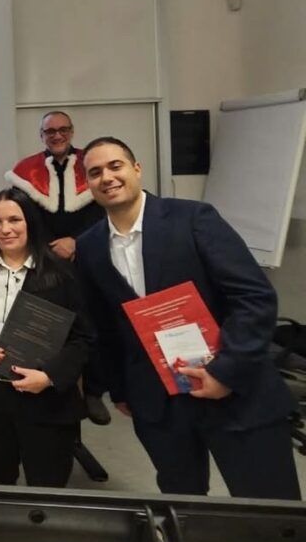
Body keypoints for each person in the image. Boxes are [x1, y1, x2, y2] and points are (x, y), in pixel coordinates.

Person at [75, 137, 301, 499]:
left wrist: (225, 371)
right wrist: (120, 388)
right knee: (184, 508)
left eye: (115, 166)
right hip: (158, 403)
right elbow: (105, 326)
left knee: (271, 509)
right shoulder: (88, 246)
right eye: (95, 172)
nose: (107, 177)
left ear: (136, 169)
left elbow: (253, 298)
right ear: (86, 184)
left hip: (234, 389)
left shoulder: (194, 218)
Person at [0, 188, 92, 487]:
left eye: (14, 219)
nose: (5, 229)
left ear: (30, 222)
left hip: (44, 398)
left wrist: (50, 376)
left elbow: (83, 338)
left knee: (47, 483)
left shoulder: (62, 273)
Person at [6, 110, 111, 425]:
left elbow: (105, 212)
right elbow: (26, 216)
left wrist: (77, 243)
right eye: (49, 131)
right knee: (50, 324)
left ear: (72, 131)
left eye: (62, 130)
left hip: (89, 255)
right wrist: (49, 249)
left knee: (92, 324)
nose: (56, 135)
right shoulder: (27, 172)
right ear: (42, 136)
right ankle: (50, 379)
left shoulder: (92, 166)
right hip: (44, 259)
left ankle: (93, 390)